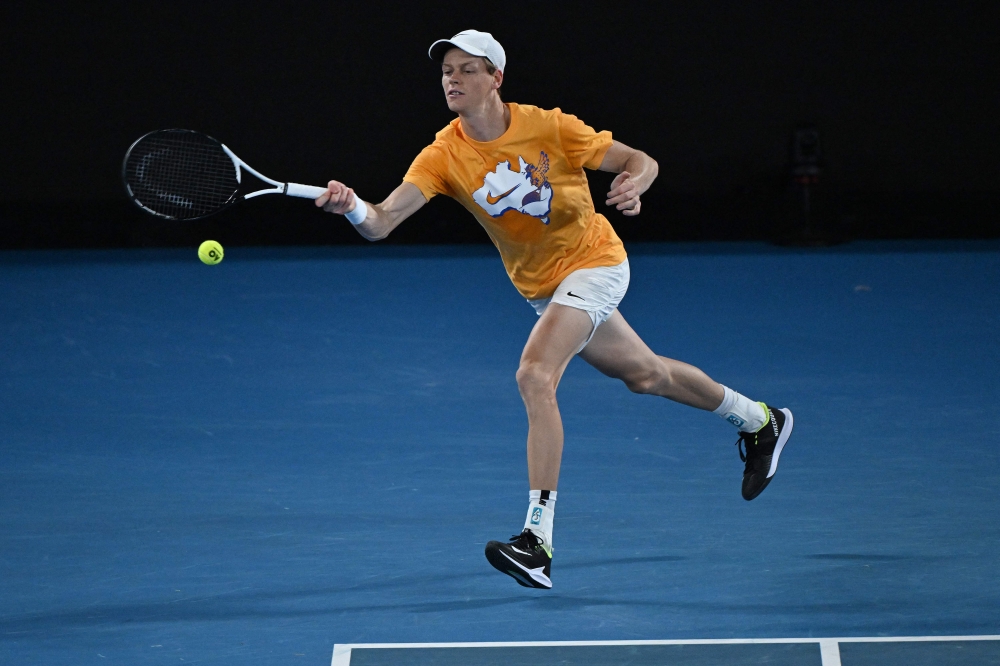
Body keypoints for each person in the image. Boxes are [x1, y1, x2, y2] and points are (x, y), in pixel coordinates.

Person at [316, 30, 793, 590]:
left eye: (467, 69)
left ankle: (536, 541)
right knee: (646, 375)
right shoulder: (443, 154)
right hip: (543, 288)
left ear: (496, 79)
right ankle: (761, 421)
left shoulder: (551, 127)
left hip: (596, 262)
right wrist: (353, 209)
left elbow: (641, 160)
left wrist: (634, 182)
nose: (452, 79)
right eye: (447, 70)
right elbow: (382, 221)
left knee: (534, 374)